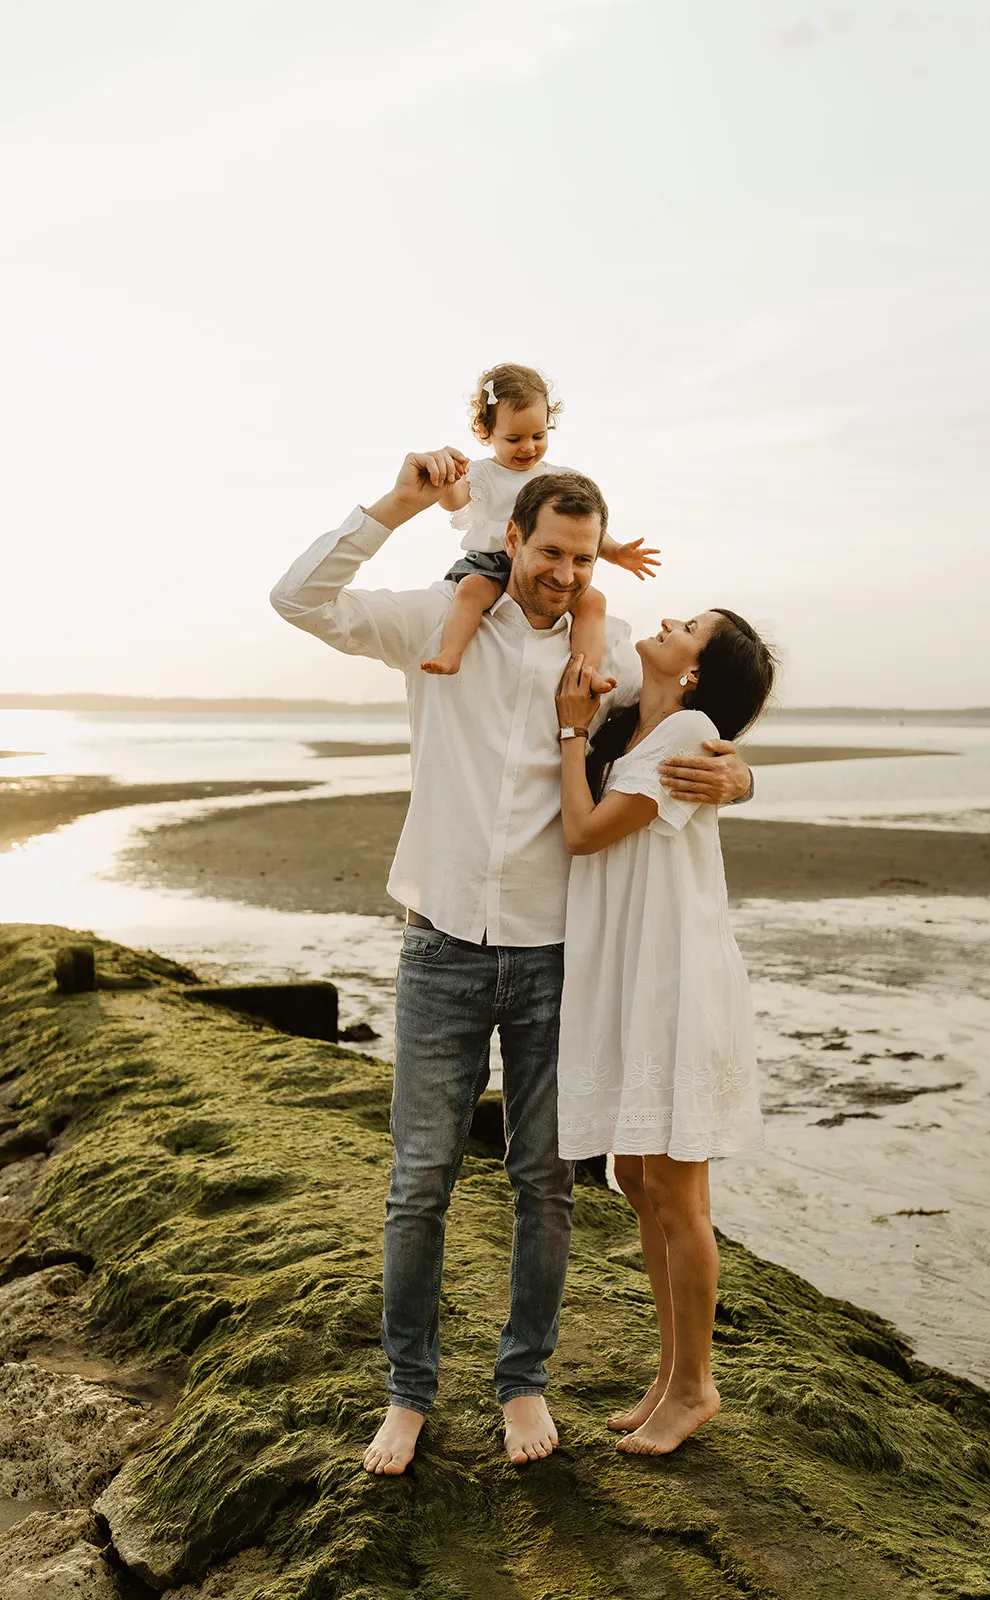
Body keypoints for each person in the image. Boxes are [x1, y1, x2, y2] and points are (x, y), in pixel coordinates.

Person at [269, 447, 754, 1475]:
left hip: (554, 958)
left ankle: (522, 1380)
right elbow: (297, 597)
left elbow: (690, 722)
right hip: (438, 940)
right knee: (418, 1179)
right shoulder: (437, 623)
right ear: (511, 539)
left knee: (545, 1182)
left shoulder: (614, 651)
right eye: (550, 551)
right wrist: (398, 503)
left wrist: (740, 771)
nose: (566, 573)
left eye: (583, 559)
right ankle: (407, 1393)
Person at [554, 610, 776, 1456]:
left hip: (674, 977)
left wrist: (571, 737)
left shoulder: (683, 729)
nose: (666, 619)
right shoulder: (633, 721)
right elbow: (591, 605)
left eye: (687, 626)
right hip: (629, 970)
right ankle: (667, 1371)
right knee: (634, 1177)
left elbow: (583, 833)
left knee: (676, 1191)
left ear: (695, 674)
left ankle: (695, 1386)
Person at [420, 363, 658, 677]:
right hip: (491, 564)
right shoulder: (482, 474)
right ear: (486, 431)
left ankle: (587, 672)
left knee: (593, 602)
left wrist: (616, 553)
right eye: (514, 438)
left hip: (547, 565)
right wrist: (444, 479)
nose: (528, 447)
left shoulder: (558, 477)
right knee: (471, 592)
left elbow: (583, 533)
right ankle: (450, 654)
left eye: (538, 435)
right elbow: (453, 501)